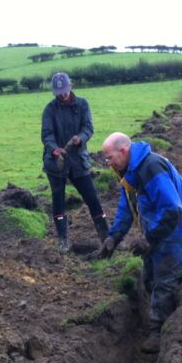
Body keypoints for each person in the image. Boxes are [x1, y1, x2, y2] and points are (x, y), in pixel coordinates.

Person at [98, 132, 182, 353]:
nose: (108, 163)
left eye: (109, 157)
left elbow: (172, 209)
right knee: (149, 279)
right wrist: (114, 237)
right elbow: (125, 207)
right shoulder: (129, 171)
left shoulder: (151, 167)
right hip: (159, 231)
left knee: (164, 283)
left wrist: (148, 239)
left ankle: (160, 333)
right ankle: (151, 319)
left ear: (123, 150)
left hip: (177, 233)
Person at [42, 72, 109, 253]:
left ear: (70, 87)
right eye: (58, 92)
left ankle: (106, 237)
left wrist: (81, 138)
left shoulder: (83, 104)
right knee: (58, 201)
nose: (62, 95)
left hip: (78, 160)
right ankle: (63, 241)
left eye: (64, 90)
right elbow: (46, 135)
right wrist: (54, 149)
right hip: (56, 163)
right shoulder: (49, 109)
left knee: (92, 198)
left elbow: (88, 128)